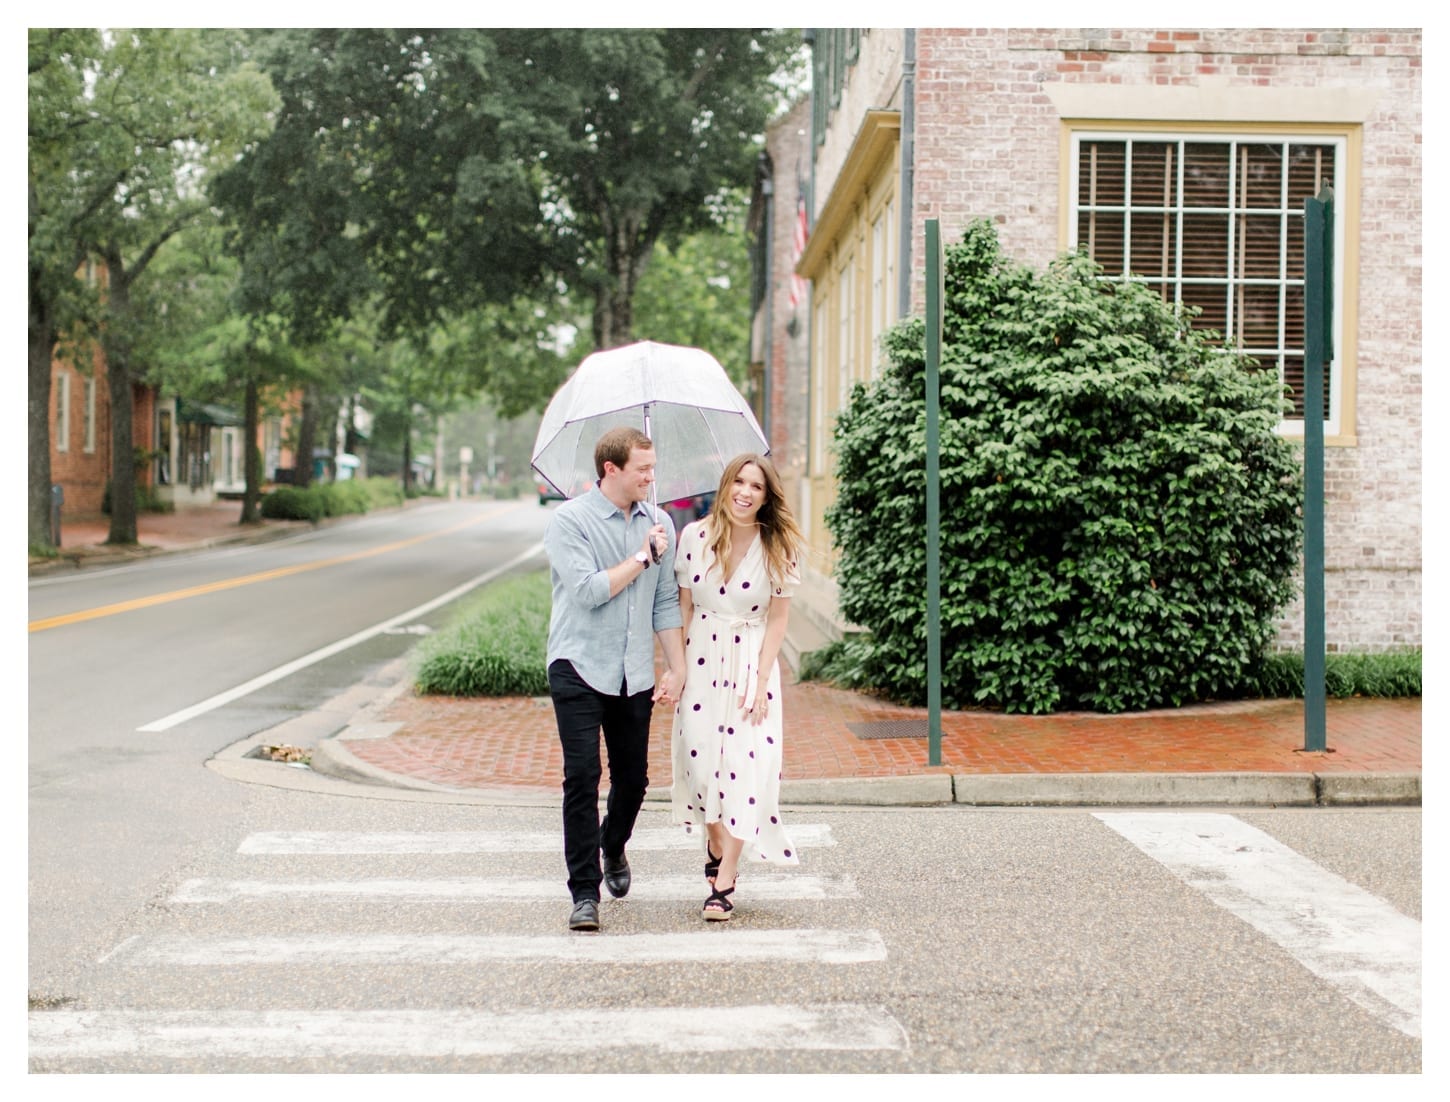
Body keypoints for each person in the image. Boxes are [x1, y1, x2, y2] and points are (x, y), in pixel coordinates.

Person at [543, 426, 685, 932]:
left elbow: (664, 601)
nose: (651, 476)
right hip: (578, 666)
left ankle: (613, 846)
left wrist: (678, 664)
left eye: (652, 467)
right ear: (612, 469)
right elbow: (587, 591)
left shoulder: (660, 521)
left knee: (635, 779)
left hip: (633, 673)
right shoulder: (570, 521)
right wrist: (642, 556)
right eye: (643, 469)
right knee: (581, 778)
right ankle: (584, 893)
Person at [669, 453, 806, 920]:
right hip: (701, 659)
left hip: (750, 660)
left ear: (767, 497)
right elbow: (684, 608)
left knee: (747, 769)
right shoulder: (694, 538)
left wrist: (762, 679)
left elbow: (779, 618)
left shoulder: (778, 545)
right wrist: (676, 668)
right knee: (701, 764)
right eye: (740, 482)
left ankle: (724, 879)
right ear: (726, 485)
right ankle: (713, 839)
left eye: (757, 487)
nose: (746, 492)